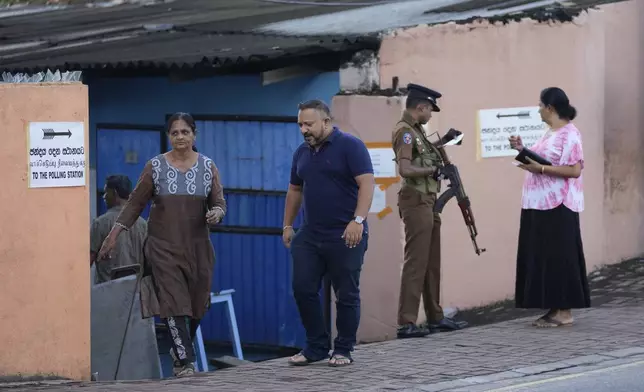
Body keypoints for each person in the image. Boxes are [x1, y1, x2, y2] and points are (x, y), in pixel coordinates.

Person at [97, 112, 226, 377]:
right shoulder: (155, 167)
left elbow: (219, 203)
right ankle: (184, 362)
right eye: (175, 132)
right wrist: (113, 236)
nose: (180, 137)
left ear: (194, 134)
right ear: (169, 136)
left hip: (198, 247)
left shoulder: (208, 167)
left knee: (198, 302)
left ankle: (180, 348)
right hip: (162, 246)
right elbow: (134, 204)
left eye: (185, 132)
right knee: (173, 301)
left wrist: (217, 214)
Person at [282, 99, 374, 367]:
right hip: (310, 234)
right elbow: (294, 190)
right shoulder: (301, 152)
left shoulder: (350, 146)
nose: (303, 129)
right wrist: (287, 225)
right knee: (302, 288)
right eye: (300, 124)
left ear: (326, 122)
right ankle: (317, 346)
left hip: (346, 233)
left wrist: (358, 220)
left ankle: (343, 348)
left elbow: (367, 184)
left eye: (308, 124)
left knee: (345, 293)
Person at [509, 87, 590, 328]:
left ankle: (564, 311)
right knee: (545, 256)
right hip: (539, 204)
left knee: (560, 256)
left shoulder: (570, 134)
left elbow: (574, 170)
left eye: (540, 105)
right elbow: (546, 159)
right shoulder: (550, 133)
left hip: (559, 204)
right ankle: (554, 307)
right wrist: (523, 151)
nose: (538, 110)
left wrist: (540, 169)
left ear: (550, 108)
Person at [392, 83, 468, 339]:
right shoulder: (404, 132)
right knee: (416, 261)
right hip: (415, 199)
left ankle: (435, 317)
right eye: (430, 111)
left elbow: (425, 155)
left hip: (429, 200)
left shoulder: (418, 132)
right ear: (421, 107)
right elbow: (405, 169)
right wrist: (432, 172)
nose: (431, 115)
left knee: (431, 260)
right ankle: (406, 322)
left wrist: (445, 140)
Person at [90, 174, 147, 285]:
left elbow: (87, 262)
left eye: (106, 192)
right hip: (134, 294)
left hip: (107, 294)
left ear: (115, 193)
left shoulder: (100, 223)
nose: (104, 196)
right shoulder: (143, 224)